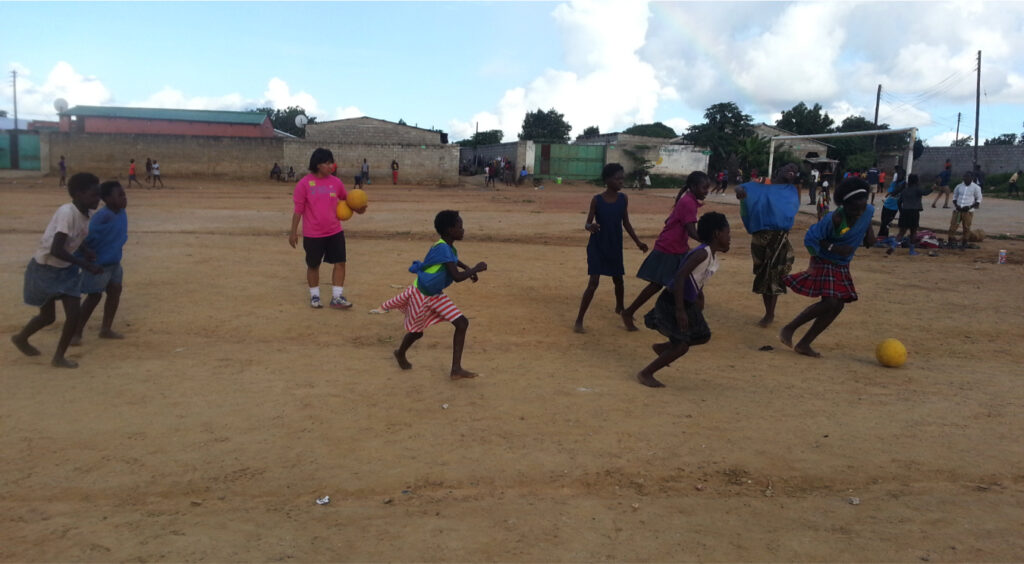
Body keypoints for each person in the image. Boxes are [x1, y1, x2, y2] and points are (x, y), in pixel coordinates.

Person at [371, 210, 487, 380]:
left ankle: (456, 369)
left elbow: (454, 261)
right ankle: (400, 352)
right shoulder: (443, 248)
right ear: (449, 230)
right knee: (417, 332)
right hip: (422, 294)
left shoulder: (447, 247)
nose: (463, 230)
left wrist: (467, 269)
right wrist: (475, 269)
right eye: (460, 227)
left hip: (435, 294)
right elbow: (456, 277)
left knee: (462, 323)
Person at [11, 172, 103, 368]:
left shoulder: (86, 213)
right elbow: (56, 249)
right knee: (48, 317)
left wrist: (85, 250)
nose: (98, 199)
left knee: (74, 314)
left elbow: (77, 236)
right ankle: (20, 338)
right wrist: (86, 265)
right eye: (94, 195)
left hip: (66, 270)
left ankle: (59, 357)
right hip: (45, 269)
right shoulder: (66, 213)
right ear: (79, 194)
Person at [779, 178, 876, 358]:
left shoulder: (867, 211)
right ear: (845, 205)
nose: (858, 213)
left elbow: (868, 231)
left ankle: (804, 343)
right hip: (824, 260)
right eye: (854, 209)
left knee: (838, 305)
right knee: (830, 301)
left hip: (842, 264)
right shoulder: (835, 219)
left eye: (862, 208)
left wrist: (870, 237)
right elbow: (810, 239)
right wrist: (833, 249)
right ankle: (790, 328)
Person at [636, 212, 731, 388]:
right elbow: (680, 276)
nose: (729, 238)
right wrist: (680, 310)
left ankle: (664, 348)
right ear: (717, 234)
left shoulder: (710, 255)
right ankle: (646, 373)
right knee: (682, 345)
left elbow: (696, 278)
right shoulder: (701, 254)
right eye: (727, 233)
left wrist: (699, 296)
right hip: (672, 302)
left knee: (702, 335)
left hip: (686, 302)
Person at [621, 171, 709, 331]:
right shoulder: (688, 203)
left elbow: (672, 221)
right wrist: (708, 242)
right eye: (704, 188)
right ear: (693, 187)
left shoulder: (688, 200)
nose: (707, 191)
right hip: (670, 248)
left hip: (677, 247)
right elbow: (691, 231)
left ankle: (688, 321)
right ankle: (630, 312)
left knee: (686, 286)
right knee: (669, 285)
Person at [573, 163, 648, 333]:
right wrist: (589, 226)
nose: (621, 181)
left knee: (618, 280)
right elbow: (587, 222)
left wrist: (638, 242)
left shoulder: (623, 199)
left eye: (622, 178)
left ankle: (620, 308)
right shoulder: (597, 200)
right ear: (607, 180)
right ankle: (579, 320)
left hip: (614, 245)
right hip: (598, 246)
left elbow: (626, 222)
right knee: (593, 283)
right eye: (617, 178)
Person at [289, 148, 360, 309]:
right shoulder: (304, 184)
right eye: (327, 163)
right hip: (313, 234)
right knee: (313, 265)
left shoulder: (336, 182)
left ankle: (337, 297)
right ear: (318, 165)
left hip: (335, 231)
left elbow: (347, 201)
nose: (331, 166)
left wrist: (359, 208)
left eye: (331, 162)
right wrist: (293, 232)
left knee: (340, 262)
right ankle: (315, 297)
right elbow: (298, 210)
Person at [735, 163, 801, 327]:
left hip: (779, 237)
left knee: (775, 275)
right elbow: (740, 187)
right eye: (788, 167)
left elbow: (791, 210)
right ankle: (768, 311)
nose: (791, 170)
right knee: (763, 273)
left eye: (795, 170)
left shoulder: (792, 190)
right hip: (760, 236)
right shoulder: (762, 184)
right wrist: (740, 193)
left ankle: (770, 314)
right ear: (779, 169)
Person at [72, 180, 128, 345]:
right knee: (94, 296)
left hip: (114, 262)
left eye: (124, 195)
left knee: (115, 291)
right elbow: (84, 238)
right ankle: (76, 332)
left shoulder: (121, 213)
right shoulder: (102, 217)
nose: (124, 199)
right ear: (107, 199)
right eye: (120, 195)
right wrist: (86, 257)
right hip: (99, 264)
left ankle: (106, 329)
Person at [887, 174, 932, 256]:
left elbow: (899, 202)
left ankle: (893, 246)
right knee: (913, 232)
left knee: (901, 232)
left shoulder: (904, 190)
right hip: (914, 212)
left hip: (905, 211)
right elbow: (925, 193)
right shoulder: (917, 189)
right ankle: (912, 251)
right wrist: (933, 188)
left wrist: (901, 211)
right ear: (917, 181)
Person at [948, 171, 982, 250]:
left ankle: (964, 243)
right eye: (964, 177)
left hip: (968, 211)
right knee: (953, 226)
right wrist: (956, 206)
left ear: (972, 178)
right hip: (958, 210)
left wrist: (969, 207)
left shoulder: (976, 187)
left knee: (966, 228)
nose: (965, 179)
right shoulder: (959, 186)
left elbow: (978, 200)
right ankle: (950, 242)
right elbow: (954, 198)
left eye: (967, 177)